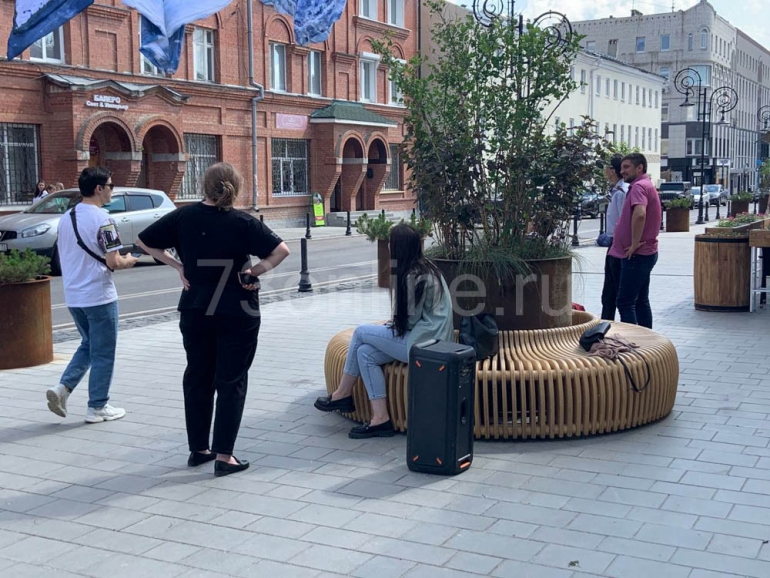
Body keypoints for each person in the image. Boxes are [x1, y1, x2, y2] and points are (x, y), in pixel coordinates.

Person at [137, 162, 290, 477]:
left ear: (203, 186)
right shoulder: (242, 222)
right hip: (236, 309)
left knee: (198, 376)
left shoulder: (183, 216)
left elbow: (144, 241)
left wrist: (177, 265)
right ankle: (224, 455)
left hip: (195, 308)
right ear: (235, 186)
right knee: (231, 380)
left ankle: (198, 449)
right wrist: (253, 271)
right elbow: (281, 250)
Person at [315, 223, 454, 438]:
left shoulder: (412, 275)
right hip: (432, 339)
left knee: (361, 332)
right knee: (365, 353)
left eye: (391, 242)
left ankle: (342, 394)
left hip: (423, 345)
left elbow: (408, 321)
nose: (388, 245)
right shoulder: (427, 267)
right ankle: (381, 419)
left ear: (398, 247)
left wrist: (389, 327)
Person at [46, 167, 138, 423]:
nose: (112, 190)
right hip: (99, 295)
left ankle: (62, 388)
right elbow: (113, 262)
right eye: (110, 186)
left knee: (89, 344)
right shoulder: (104, 220)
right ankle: (97, 406)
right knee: (104, 352)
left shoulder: (67, 217)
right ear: (99, 189)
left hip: (73, 295)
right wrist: (129, 260)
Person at [609, 153, 661, 329]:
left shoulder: (638, 187)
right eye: (622, 167)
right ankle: (647, 341)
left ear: (640, 168)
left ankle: (634, 344)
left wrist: (634, 243)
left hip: (637, 254)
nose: (622, 171)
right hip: (644, 253)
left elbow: (640, 214)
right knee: (640, 301)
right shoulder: (646, 185)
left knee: (624, 302)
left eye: (626, 167)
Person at [600, 154, 629, 321]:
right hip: (613, 244)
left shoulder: (621, 192)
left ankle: (614, 325)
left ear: (612, 171)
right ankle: (606, 323)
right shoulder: (616, 191)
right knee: (608, 292)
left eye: (606, 168)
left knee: (614, 290)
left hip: (618, 245)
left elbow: (623, 221)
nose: (604, 171)